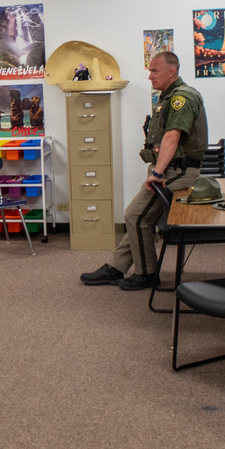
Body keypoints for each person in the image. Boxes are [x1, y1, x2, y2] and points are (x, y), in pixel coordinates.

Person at [80, 51, 209, 290]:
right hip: (169, 168)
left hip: (176, 172)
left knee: (135, 216)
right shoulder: (168, 97)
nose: (150, 76)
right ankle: (116, 267)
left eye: (154, 71)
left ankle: (147, 274)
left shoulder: (181, 98)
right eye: (150, 71)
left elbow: (172, 137)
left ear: (172, 72)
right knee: (140, 217)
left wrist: (158, 173)